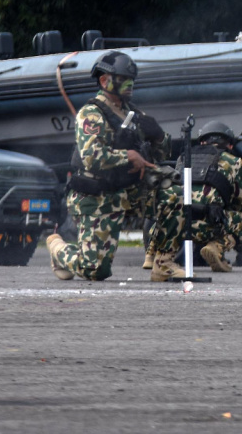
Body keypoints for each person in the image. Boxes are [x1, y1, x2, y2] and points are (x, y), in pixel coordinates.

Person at [45, 51, 178, 281]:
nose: (130, 85)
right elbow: (91, 157)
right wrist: (128, 156)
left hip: (129, 189)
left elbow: (159, 155)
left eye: (132, 80)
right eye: (123, 79)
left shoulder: (133, 113)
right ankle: (59, 250)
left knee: (173, 192)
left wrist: (158, 137)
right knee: (95, 270)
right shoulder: (91, 113)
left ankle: (162, 263)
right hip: (98, 195)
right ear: (105, 81)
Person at [149, 121, 242, 273]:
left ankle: (154, 256)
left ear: (202, 141)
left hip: (177, 227)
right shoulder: (235, 162)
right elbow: (241, 202)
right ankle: (216, 247)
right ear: (230, 145)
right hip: (208, 226)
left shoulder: (183, 159)